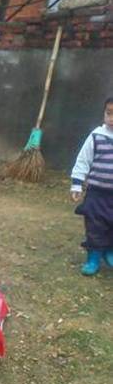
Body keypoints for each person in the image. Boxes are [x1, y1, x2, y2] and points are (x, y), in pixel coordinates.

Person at [70, 95, 113, 276]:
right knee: (95, 225)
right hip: (97, 194)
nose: (111, 118)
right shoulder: (97, 136)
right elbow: (83, 159)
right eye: (109, 113)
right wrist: (77, 184)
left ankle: (109, 250)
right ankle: (93, 257)